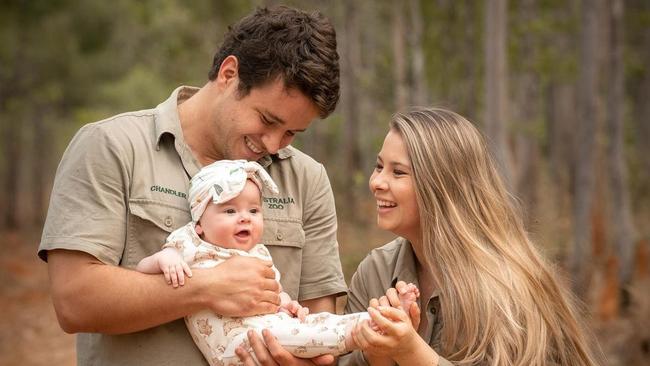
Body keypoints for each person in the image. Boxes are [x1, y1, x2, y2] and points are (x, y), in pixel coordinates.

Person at [39, 6, 348, 366]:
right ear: (229, 74)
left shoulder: (307, 179)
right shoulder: (111, 147)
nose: (274, 143)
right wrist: (207, 287)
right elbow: (75, 301)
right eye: (267, 120)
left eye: (292, 132)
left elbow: (320, 325)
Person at [338, 108, 603, 366]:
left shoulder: (508, 287)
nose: (376, 182)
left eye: (398, 172)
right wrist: (378, 355)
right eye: (379, 166)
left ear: (441, 185)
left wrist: (411, 353)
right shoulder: (374, 273)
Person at [135, 159, 420, 366]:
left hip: (267, 333)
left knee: (314, 320)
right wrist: (165, 258)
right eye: (230, 210)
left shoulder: (258, 253)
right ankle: (366, 331)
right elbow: (143, 268)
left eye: (254, 210)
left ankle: (382, 319)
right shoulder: (190, 243)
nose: (244, 217)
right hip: (235, 346)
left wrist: (287, 303)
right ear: (199, 223)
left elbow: (271, 294)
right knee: (302, 334)